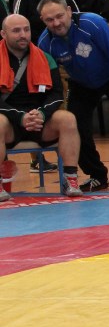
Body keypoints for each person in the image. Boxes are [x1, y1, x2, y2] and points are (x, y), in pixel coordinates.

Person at [37, 0, 109, 192]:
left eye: (59, 16)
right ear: (42, 20)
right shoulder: (45, 42)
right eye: (49, 20)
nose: (56, 23)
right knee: (74, 126)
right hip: (81, 83)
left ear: (69, 11)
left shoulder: (92, 23)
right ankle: (97, 175)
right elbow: (47, 78)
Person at [0, 14, 83, 202]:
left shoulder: (45, 58)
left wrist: (42, 114)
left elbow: (56, 94)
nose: (23, 34)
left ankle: (70, 179)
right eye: (16, 31)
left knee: (67, 118)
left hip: (39, 122)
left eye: (26, 29)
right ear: (3, 34)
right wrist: (21, 118)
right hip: (9, 125)